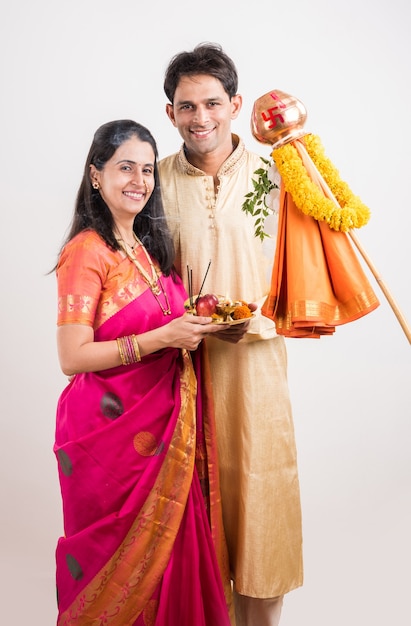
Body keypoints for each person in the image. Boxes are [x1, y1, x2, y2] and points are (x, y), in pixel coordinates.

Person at [53, 119, 233, 626]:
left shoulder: (151, 250)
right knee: (118, 567)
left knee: (172, 559)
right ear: (96, 176)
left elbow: (171, 328)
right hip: (108, 437)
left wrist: (210, 326)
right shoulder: (87, 250)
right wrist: (163, 339)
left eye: (148, 169)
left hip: (165, 429)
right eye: (124, 167)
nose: (139, 180)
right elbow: (73, 356)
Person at [158, 44, 303, 626]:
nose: (201, 118)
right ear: (170, 113)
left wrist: (261, 322)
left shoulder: (278, 176)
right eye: (186, 106)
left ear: (236, 105)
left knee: (262, 503)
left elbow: (308, 266)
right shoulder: (154, 182)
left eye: (213, 103)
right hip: (177, 373)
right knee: (187, 512)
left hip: (258, 370)